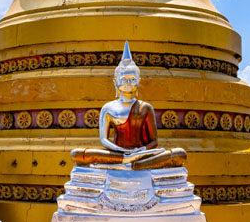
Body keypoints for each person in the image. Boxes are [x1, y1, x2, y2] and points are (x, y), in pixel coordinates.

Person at [70, 41, 186, 170]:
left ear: (138, 81)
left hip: (142, 154)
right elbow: (104, 140)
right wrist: (120, 150)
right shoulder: (108, 108)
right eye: (124, 79)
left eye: (132, 79)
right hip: (116, 153)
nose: (128, 83)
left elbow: (154, 141)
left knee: (179, 154)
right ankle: (128, 162)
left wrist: (140, 151)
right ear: (115, 82)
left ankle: (132, 163)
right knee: (77, 154)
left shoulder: (145, 107)